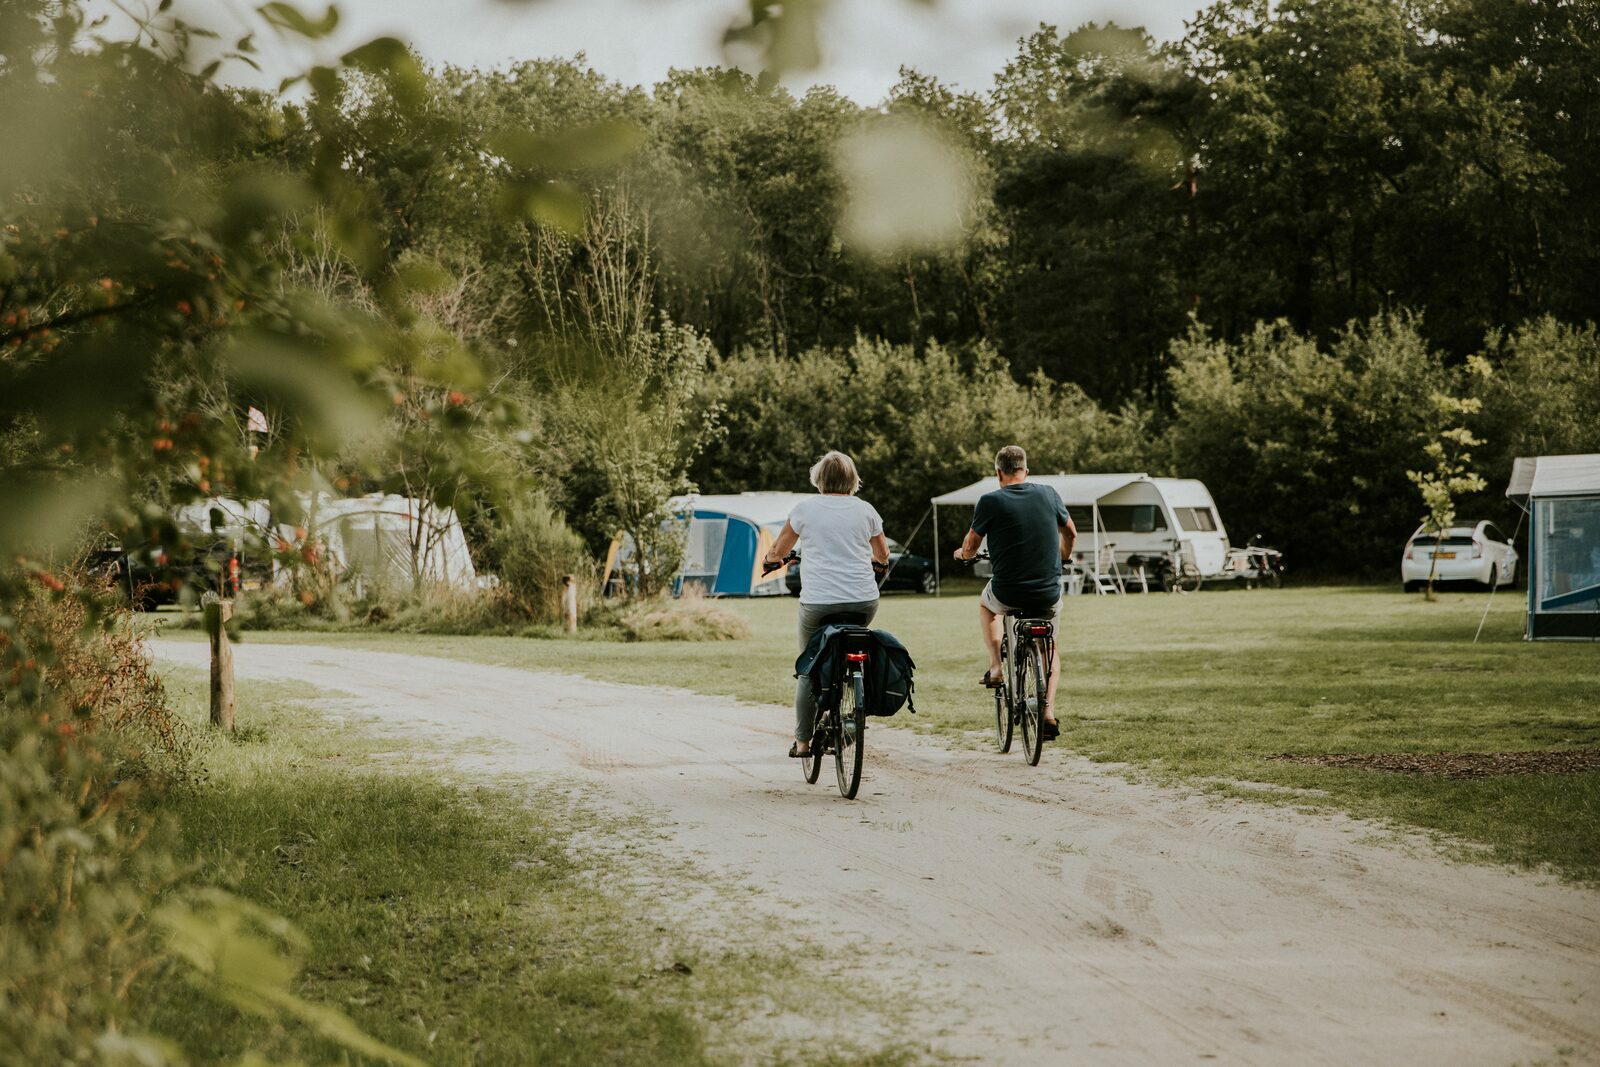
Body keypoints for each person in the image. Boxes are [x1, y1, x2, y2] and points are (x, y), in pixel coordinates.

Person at [762, 451, 890, 758]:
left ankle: (803, 742)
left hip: (818, 603)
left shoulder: (805, 509)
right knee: (855, 642)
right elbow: (883, 554)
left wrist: (771, 559)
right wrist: (876, 561)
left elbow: (780, 548)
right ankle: (854, 693)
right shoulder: (866, 510)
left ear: (819, 479)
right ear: (852, 480)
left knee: (808, 667)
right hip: (863, 600)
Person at [951, 445, 1076, 739]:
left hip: (1007, 592)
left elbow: (971, 544)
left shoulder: (990, 501)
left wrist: (963, 555)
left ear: (998, 474)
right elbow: (1070, 532)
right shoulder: (1049, 494)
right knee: (1051, 648)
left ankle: (996, 666)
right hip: (1047, 593)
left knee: (986, 605)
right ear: (1026, 471)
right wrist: (1064, 557)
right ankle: (1047, 712)